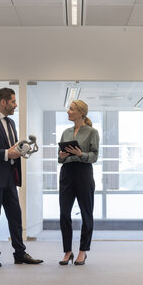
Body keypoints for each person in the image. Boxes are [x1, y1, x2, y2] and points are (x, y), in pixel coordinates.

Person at [0, 88, 43, 267]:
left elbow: (11, 148)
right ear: (3, 102)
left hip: (10, 178)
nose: (16, 105)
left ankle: (20, 253)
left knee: (15, 216)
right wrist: (6, 153)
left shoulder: (11, 123)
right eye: (13, 101)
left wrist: (21, 149)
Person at [58, 100, 99, 266]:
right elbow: (59, 156)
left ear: (81, 113)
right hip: (67, 173)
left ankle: (83, 251)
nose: (68, 111)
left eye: (71, 109)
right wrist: (61, 157)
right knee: (64, 214)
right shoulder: (65, 132)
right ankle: (67, 251)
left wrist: (81, 154)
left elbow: (94, 156)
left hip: (84, 173)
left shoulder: (92, 132)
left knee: (86, 213)